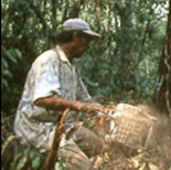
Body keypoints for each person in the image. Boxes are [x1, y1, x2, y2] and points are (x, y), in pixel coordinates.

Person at [14, 18, 106, 170]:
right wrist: (78, 106)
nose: (88, 46)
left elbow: (85, 98)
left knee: (100, 147)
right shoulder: (48, 59)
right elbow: (43, 99)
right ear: (75, 36)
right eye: (86, 40)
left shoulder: (72, 67)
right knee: (84, 167)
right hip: (39, 128)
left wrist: (103, 110)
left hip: (65, 126)